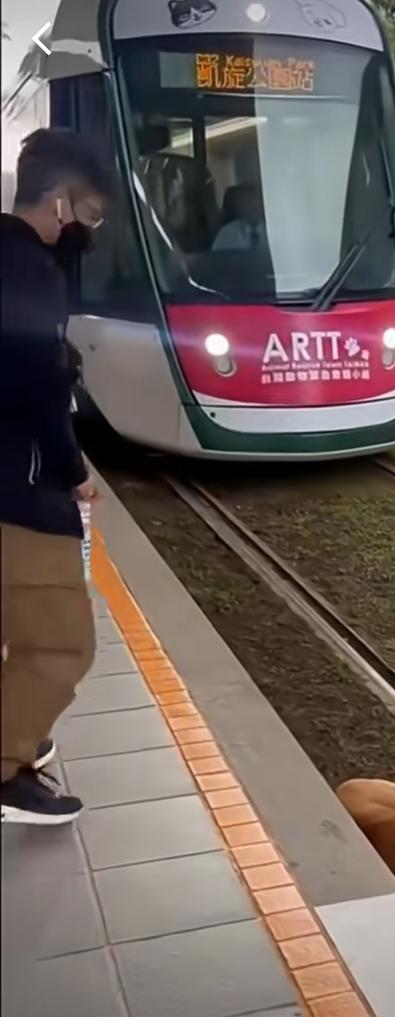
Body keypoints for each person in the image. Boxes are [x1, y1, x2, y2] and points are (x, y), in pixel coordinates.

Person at [1, 128, 113, 825]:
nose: (93, 225)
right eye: (92, 210)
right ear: (61, 200)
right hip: (19, 484)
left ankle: (16, 729)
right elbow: (40, 382)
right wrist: (72, 470)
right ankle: (6, 770)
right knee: (60, 639)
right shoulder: (30, 271)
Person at [213, 183, 266, 251]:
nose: (253, 206)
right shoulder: (227, 233)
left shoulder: (274, 228)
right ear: (238, 208)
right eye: (246, 202)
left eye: (255, 201)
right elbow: (216, 259)